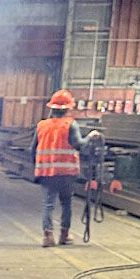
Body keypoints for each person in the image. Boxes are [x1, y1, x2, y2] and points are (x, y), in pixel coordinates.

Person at [32, 89, 103, 248]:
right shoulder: (71, 124)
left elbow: (33, 149)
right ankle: (64, 235)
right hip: (66, 173)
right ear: (68, 109)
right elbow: (79, 145)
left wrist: (37, 168)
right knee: (66, 203)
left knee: (48, 205)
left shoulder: (41, 125)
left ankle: (47, 236)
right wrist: (90, 137)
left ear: (52, 108)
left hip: (47, 173)